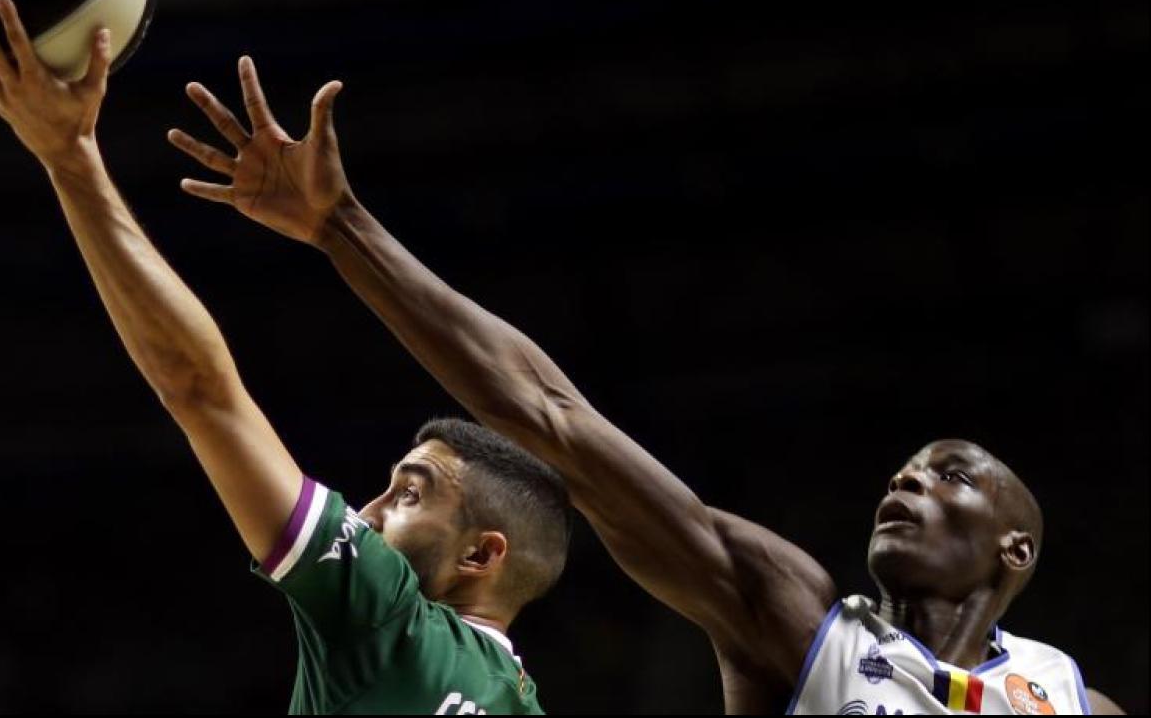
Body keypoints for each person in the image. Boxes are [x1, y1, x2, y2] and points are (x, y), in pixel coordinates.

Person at [165, 52, 1127, 715]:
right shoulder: (794, 618)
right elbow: (552, 419)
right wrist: (344, 231)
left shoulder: (1074, 698)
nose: (907, 482)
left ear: (1016, 550)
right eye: (908, 470)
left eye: (949, 474)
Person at [0, 0, 572, 715]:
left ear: (482, 557)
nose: (364, 513)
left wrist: (69, 157)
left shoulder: (385, 615)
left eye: (409, 493)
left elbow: (199, 388)